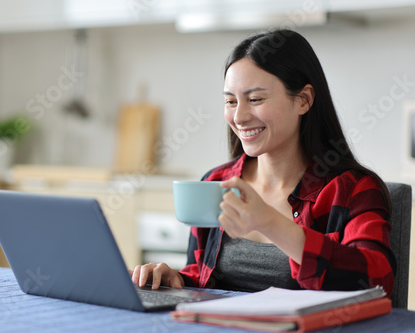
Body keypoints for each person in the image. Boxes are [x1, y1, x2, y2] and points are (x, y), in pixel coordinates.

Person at [131, 29, 395, 296]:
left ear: (303, 100)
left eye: (255, 99)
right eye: (231, 101)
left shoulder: (351, 190)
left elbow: (376, 280)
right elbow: (204, 276)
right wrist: (174, 278)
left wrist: (269, 222)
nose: (239, 116)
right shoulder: (215, 183)